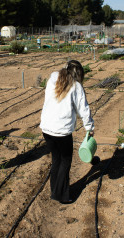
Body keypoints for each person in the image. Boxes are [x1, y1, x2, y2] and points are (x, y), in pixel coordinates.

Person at [40, 60, 94, 204]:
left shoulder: (53, 80)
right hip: (62, 131)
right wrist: (89, 127)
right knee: (65, 161)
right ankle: (62, 195)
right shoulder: (76, 87)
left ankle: (54, 190)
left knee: (56, 159)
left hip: (46, 128)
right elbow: (84, 109)